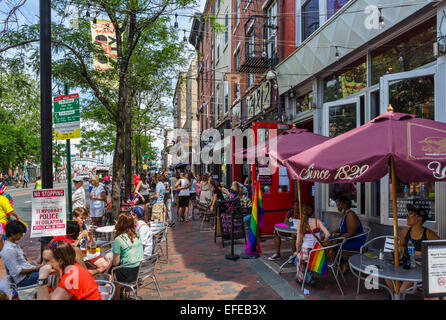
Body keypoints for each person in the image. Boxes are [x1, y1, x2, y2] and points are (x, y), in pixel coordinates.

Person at [385, 204, 440, 294]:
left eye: (410, 214)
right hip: (407, 263)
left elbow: (440, 249)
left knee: (407, 281)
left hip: (422, 268)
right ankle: (395, 294)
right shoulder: (405, 231)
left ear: (419, 218)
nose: (406, 217)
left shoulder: (429, 234)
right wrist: (407, 252)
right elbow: (401, 245)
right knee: (386, 272)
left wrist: (422, 253)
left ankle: (398, 294)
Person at [37, 240, 102, 300]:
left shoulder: (72, 276)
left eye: (46, 261)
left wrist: (42, 279)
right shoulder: (68, 270)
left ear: (60, 261)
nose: (42, 264)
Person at [294, 204, 331, 286]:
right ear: (312, 213)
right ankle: (310, 277)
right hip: (318, 253)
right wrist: (324, 242)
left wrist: (296, 251)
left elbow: (297, 242)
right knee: (306, 260)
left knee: (296, 260)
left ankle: (303, 279)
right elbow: (328, 234)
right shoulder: (317, 221)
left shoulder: (301, 224)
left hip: (307, 252)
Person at [110, 213, 144, 299]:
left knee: (110, 273)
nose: (116, 222)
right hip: (139, 271)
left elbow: (115, 262)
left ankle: (115, 297)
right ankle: (121, 294)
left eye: (118, 221)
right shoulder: (137, 235)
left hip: (128, 274)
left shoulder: (119, 239)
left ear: (120, 224)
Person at [0, 220, 41, 289]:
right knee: (48, 276)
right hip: (23, 280)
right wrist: (36, 269)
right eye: (20, 233)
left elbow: (22, 263)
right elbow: (16, 272)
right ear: (12, 234)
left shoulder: (14, 245)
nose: (22, 236)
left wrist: (34, 266)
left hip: (27, 275)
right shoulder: (8, 250)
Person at [331, 195, 366, 272]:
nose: (337, 206)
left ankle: (343, 263)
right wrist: (333, 232)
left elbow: (350, 233)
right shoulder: (346, 213)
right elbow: (342, 229)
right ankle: (342, 263)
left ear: (345, 205)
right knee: (330, 240)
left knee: (333, 244)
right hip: (350, 239)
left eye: (339, 204)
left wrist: (337, 240)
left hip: (356, 242)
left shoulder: (350, 215)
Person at [0, 183, 20, 250]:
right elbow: (10, 211)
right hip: (1, 222)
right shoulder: (3, 199)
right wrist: (17, 216)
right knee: (3, 239)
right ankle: (3, 253)